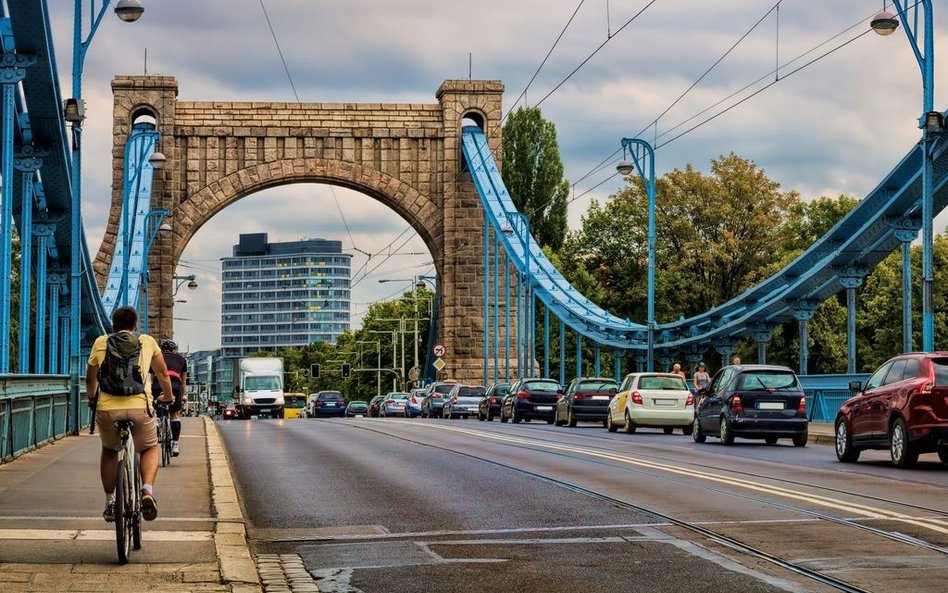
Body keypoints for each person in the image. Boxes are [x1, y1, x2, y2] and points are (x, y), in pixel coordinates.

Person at [86, 306, 174, 523]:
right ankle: (146, 491)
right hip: (139, 407)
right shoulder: (147, 341)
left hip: (107, 409)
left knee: (109, 450)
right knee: (149, 448)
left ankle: (110, 502)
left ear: (113, 326)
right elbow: (163, 374)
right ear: (135, 325)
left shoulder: (101, 342)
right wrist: (168, 396)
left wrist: (91, 398)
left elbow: (90, 378)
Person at [153, 339, 188, 457]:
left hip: (158, 386)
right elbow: (183, 381)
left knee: (156, 408)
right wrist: (182, 395)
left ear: (161, 350)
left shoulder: (156, 358)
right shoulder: (182, 360)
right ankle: (175, 445)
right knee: (175, 415)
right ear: (174, 350)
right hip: (175, 387)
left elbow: (151, 377)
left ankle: (157, 422)